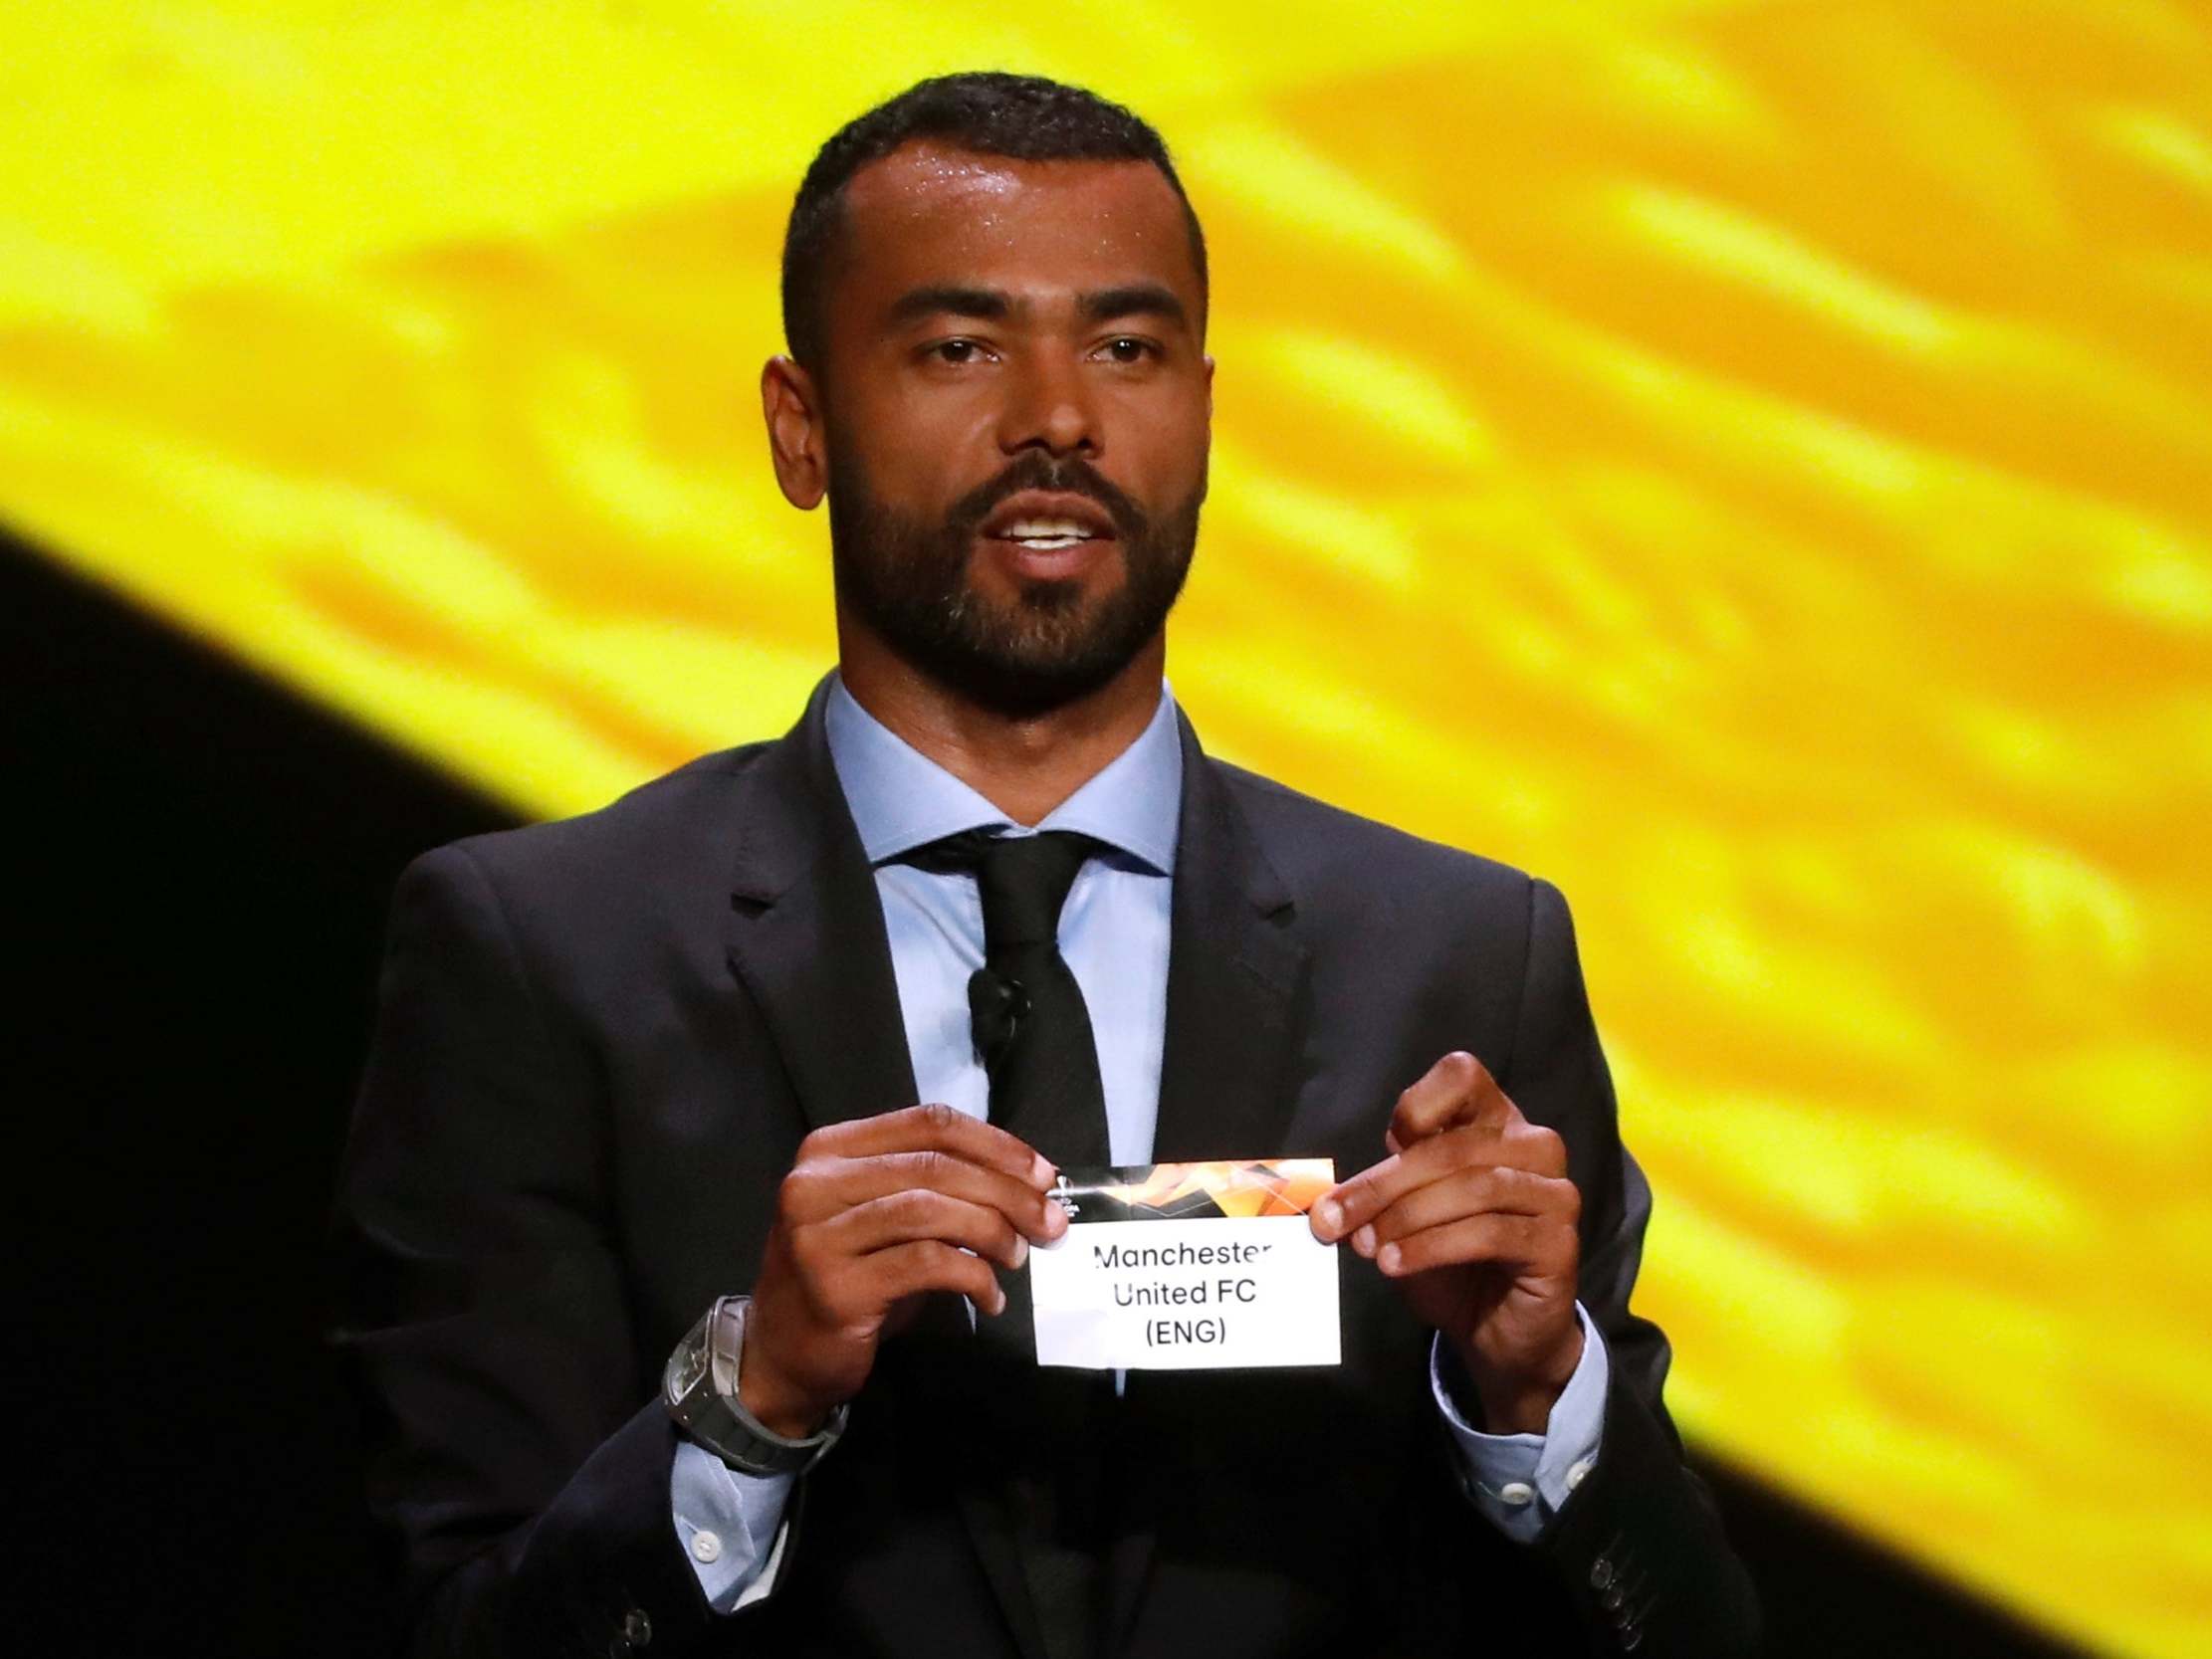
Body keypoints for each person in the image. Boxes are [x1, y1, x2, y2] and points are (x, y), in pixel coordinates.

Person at [333, 72, 1759, 1659]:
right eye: (960, 347)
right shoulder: (542, 954)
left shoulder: (1458, 961)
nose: (1058, 419)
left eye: (1125, 349)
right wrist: (751, 1404)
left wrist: (1537, 1398)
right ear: (801, 429)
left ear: (1202, 412)